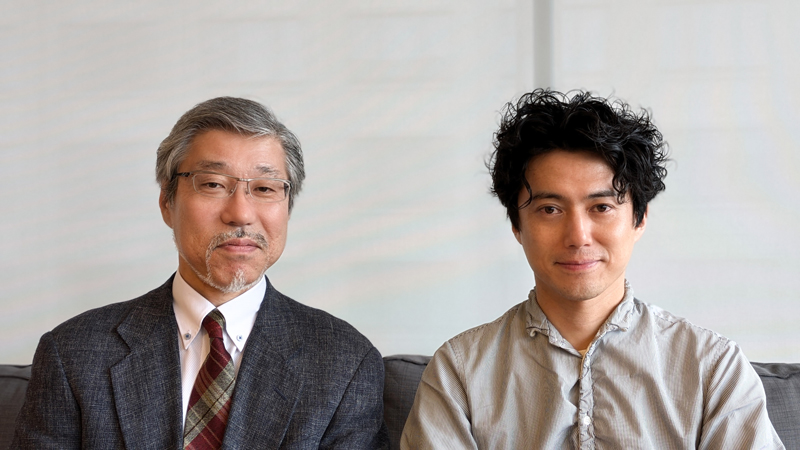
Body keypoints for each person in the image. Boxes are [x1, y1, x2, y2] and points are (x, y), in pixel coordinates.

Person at [401, 89, 784, 449]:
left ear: (639, 219)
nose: (578, 236)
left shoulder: (712, 367)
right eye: (549, 209)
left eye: (601, 207)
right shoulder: (460, 372)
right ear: (517, 226)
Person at [13, 97, 389, 449]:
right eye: (213, 184)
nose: (240, 213)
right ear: (167, 202)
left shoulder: (344, 362)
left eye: (264, 188)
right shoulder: (74, 354)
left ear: (288, 208)